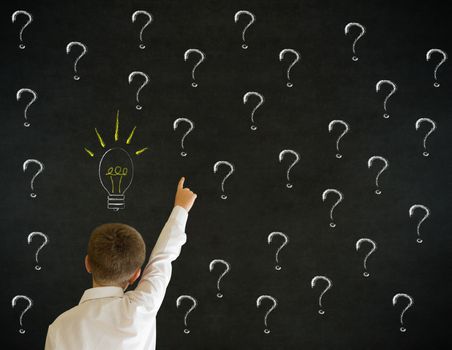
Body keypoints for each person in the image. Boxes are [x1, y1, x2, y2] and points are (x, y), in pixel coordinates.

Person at [45, 177, 197, 349]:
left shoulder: (59, 327)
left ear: (87, 263)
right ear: (135, 275)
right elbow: (162, 258)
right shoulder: (141, 308)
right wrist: (181, 209)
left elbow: (162, 258)